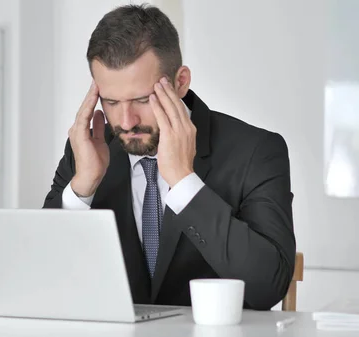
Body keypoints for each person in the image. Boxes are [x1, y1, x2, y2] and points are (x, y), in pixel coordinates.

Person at [42, 4, 295, 310]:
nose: (126, 121)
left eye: (142, 99)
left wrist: (184, 183)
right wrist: (82, 188)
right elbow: (43, 277)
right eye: (110, 102)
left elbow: (267, 288)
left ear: (180, 81)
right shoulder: (86, 150)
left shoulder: (256, 151)